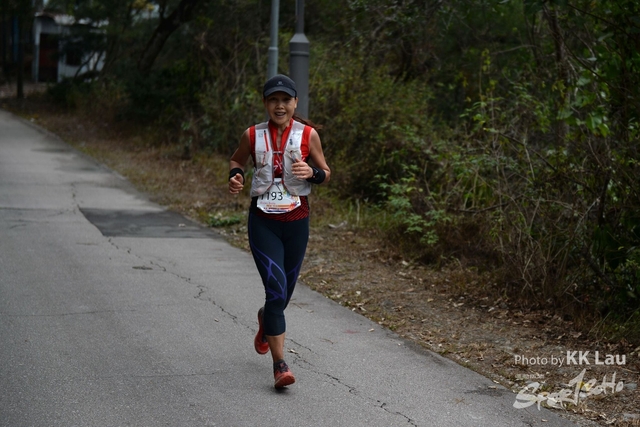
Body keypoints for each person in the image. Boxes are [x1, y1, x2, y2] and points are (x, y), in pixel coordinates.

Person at [228, 74, 331, 389]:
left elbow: (326, 173)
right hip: (263, 222)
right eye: (273, 100)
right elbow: (236, 160)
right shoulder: (252, 134)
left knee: (282, 296)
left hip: (297, 222)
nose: (280, 106)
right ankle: (280, 365)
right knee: (275, 290)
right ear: (265, 103)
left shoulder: (308, 135)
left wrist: (312, 172)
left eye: (286, 100)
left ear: (295, 103)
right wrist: (235, 176)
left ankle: (266, 320)